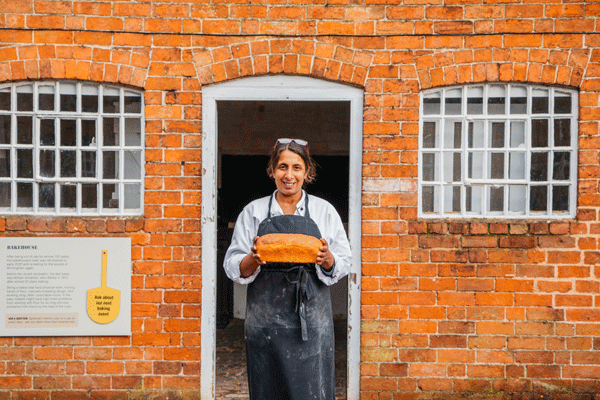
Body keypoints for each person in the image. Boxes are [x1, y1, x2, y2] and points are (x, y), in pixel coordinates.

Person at [223, 138, 351, 400]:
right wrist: (254, 258)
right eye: (282, 167)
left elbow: (345, 261)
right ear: (272, 170)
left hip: (312, 323)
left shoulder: (323, 211)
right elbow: (233, 265)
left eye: (296, 167)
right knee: (268, 390)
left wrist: (327, 260)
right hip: (265, 324)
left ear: (307, 172)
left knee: (312, 391)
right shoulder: (254, 212)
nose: (289, 175)